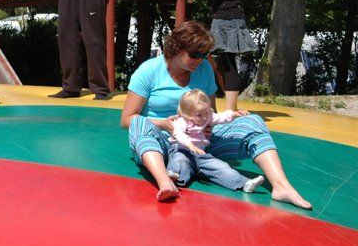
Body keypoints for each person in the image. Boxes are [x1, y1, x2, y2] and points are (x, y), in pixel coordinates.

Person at [120, 21, 311, 208]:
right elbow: (127, 119)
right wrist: (164, 124)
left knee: (253, 121)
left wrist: (208, 127)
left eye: (204, 55)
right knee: (139, 124)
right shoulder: (149, 71)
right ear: (176, 49)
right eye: (195, 54)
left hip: (200, 143)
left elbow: (211, 112)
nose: (200, 60)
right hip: (160, 145)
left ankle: (281, 187)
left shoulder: (204, 70)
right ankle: (165, 181)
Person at [167, 89, 265, 193]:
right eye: (199, 115)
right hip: (182, 151)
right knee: (179, 162)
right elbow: (178, 133)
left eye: (206, 112)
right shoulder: (182, 121)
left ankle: (244, 183)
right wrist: (190, 145)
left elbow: (221, 117)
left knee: (221, 167)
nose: (204, 117)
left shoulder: (207, 116)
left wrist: (234, 114)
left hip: (201, 155)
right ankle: (173, 176)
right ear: (187, 114)